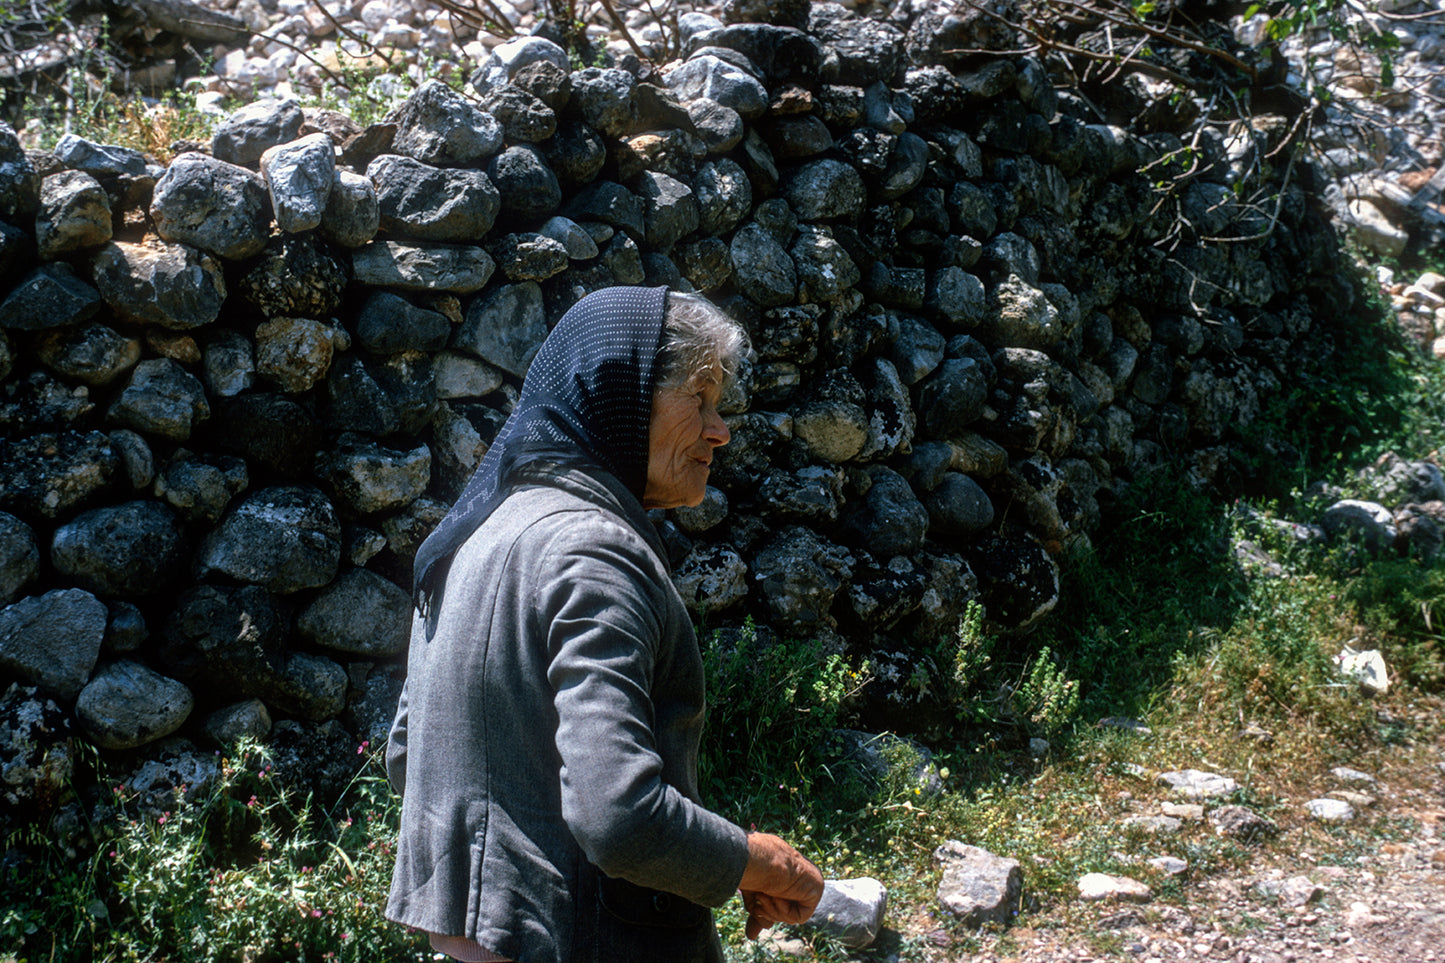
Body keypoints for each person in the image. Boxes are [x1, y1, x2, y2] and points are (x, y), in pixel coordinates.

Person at [385, 286, 824, 963]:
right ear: (618, 397)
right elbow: (618, 815)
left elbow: (410, 755)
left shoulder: (467, 539)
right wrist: (753, 859)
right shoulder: (593, 551)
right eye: (699, 397)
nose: (720, 430)